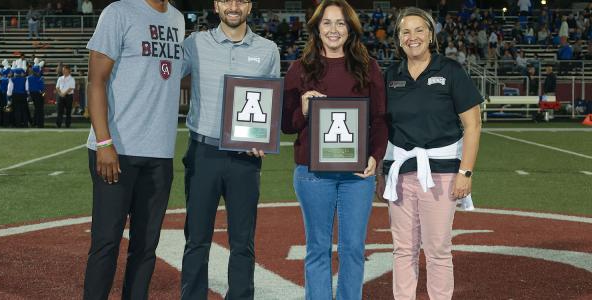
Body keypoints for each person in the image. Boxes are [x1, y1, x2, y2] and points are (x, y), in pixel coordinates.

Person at [281, 0, 387, 298]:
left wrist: (375, 157)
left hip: (356, 174)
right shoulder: (300, 69)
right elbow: (286, 126)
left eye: (340, 23)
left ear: (350, 29)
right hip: (312, 173)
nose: (333, 29)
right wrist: (302, 109)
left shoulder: (369, 68)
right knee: (318, 247)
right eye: (327, 22)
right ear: (316, 28)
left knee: (353, 248)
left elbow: (379, 120)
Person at [377, 7, 482, 300]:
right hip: (400, 173)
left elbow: (473, 124)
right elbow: (382, 127)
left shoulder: (450, 70)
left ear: (431, 35)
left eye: (419, 30)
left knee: (437, 249)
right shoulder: (391, 75)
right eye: (405, 32)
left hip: (443, 172)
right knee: (403, 249)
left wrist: (466, 171)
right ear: (398, 40)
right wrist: (380, 173)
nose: (413, 37)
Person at [82, 0, 185, 299]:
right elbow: (95, 80)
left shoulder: (178, 19)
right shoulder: (119, 12)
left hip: (160, 152)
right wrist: (104, 142)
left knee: (145, 247)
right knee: (106, 242)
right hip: (117, 150)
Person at [179, 0, 280, 298]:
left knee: (242, 241)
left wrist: (262, 137)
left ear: (250, 6)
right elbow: (164, 76)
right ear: (215, 4)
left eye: (241, 0)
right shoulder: (194, 43)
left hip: (245, 158)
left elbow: (270, 104)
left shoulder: (268, 49)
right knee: (196, 238)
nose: (233, 6)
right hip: (203, 152)